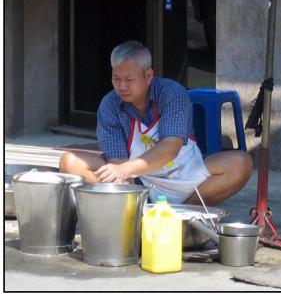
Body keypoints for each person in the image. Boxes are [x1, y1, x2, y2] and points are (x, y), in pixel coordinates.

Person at [59, 40, 252, 206]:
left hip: (186, 175)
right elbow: (117, 162)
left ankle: (187, 210)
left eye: (129, 79)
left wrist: (124, 169)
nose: (121, 86)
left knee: (240, 163)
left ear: (148, 76)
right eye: (116, 78)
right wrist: (123, 180)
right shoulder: (110, 105)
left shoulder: (171, 93)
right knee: (70, 162)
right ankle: (132, 208)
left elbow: (171, 147)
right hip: (140, 182)